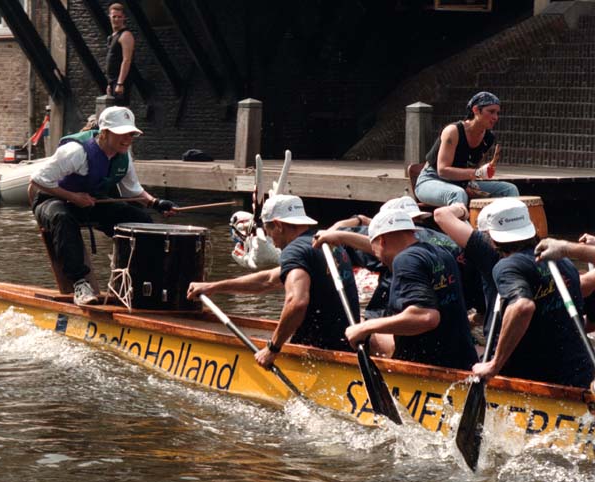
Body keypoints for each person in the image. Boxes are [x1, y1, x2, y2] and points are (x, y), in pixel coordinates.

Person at [187, 195, 359, 368]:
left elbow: (297, 302)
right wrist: (214, 287)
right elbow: (268, 280)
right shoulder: (324, 243)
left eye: (269, 232)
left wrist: (272, 348)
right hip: (347, 345)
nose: (273, 242)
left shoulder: (295, 251)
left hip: (322, 354)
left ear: (278, 225)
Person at [29, 106, 177, 306]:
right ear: (105, 133)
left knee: (141, 220)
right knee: (62, 217)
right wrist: (72, 197)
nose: (127, 139)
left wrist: (156, 203)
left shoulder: (123, 155)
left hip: (89, 202)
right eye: (121, 134)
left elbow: (131, 190)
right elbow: (38, 180)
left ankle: (134, 282)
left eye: (131, 134)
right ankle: (80, 284)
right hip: (50, 200)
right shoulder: (75, 151)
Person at [472, 199, 594, 388]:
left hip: (538, 379)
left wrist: (494, 365)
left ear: (490, 236)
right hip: (580, 372)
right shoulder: (563, 260)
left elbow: (522, 306)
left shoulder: (506, 266)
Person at [336, 209, 478, 369]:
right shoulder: (441, 253)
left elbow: (426, 317)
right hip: (464, 361)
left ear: (382, 240)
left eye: (375, 251)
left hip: (430, 369)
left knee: (368, 331)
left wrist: (365, 327)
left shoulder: (405, 260)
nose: (380, 260)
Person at [414, 91, 519, 207]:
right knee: (458, 194)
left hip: (460, 183)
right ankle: (463, 225)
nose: (495, 117)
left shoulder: (489, 137)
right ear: (475, 110)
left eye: (497, 113)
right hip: (431, 181)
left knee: (509, 189)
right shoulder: (453, 131)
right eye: (491, 112)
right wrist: (478, 173)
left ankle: (509, 224)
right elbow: (442, 171)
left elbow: (471, 167)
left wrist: (479, 174)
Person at [433, 201, 501, 333]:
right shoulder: (541, 253)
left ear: (486, 233)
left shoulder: (485, 249)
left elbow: (440, 214)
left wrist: (461, 208)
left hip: (501, 341)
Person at [105, 3, 135, 106]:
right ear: (109, 17)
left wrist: (120, 83)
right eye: (114, 16)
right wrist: (110, 83)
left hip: (120, 82)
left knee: (120, 111)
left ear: (124, 18)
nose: (116, 19)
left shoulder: (125, 35)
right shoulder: (112, 36)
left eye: (119, 17)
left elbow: (127, 60)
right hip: (113, 82)